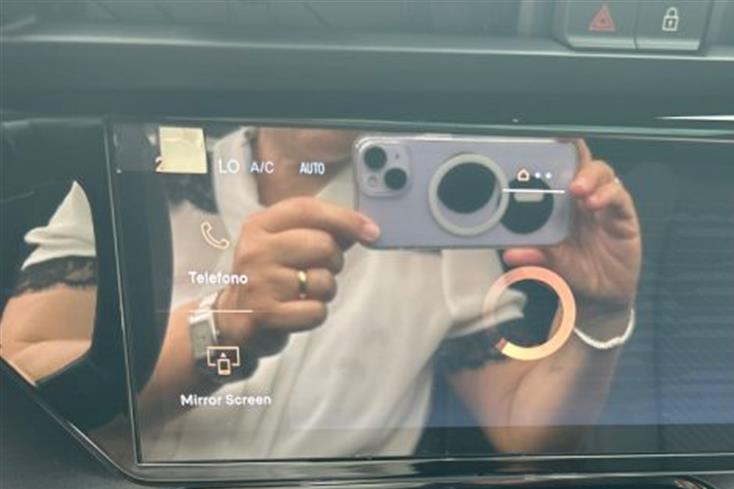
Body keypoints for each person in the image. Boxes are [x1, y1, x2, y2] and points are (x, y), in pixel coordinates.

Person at [3, 126, 642, 460]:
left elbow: (526, 434)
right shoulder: (142, 173)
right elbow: (19, 379)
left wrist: (602, 311)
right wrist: (219, 324)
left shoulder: (447, 218)